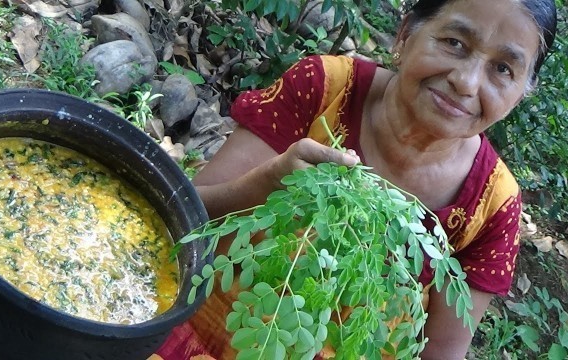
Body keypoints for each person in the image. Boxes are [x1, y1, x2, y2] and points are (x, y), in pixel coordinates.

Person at [152, 0, 558, 358]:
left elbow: (441, 352)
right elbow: (183, 220)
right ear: (406, 33)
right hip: (191, 337)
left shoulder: (492, 206)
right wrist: (266, 184)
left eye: (503, 69)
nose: (466, 82)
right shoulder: (323, 89)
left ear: (521, 92)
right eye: (454, 42)